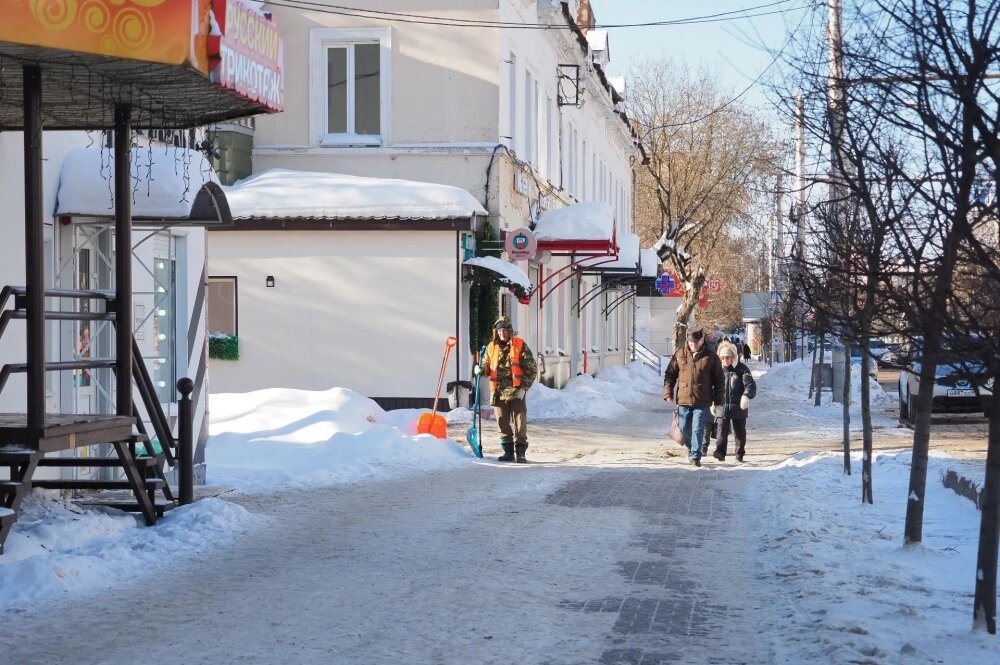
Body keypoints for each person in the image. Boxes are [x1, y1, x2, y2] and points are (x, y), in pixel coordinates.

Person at [663, 326, 724, 467]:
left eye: (696, 342)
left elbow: (719, 381)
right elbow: (670, 374)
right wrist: (668, 392)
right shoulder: (680, 354)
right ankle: (691, 447)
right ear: (687, 341)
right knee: (684, 428)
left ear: (702, 341)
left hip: (703, 400)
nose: (693, 345)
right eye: (691, 343)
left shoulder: (711, 357)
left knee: (698, 428)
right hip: (683, 399)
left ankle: (696, 456)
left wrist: (718, 401)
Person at [480, 316, 538, 463]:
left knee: (520, 422)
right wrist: (480, 370)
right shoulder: (491, 347)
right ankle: (508, 452)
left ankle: (521, 453)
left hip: (516, 391)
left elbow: (532, 368)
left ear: (510, 331)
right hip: (498, 392)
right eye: (499, 330)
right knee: (502, 423)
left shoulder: (519, 345)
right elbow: (486, 367)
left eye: (505, 330)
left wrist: (524, 387)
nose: (502, 333)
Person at [711, 342, 758, 462]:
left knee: (739, 432)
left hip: (738, 405)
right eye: (722, 358)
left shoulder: (741, 368)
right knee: (721, 430)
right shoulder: (717, 370)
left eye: (727, 357)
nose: (725, 360)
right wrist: (712, 401)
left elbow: (750, 384)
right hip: (722, 404)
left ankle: (739, 453)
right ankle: (720, 452)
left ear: (732, 357)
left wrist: (746, 396)